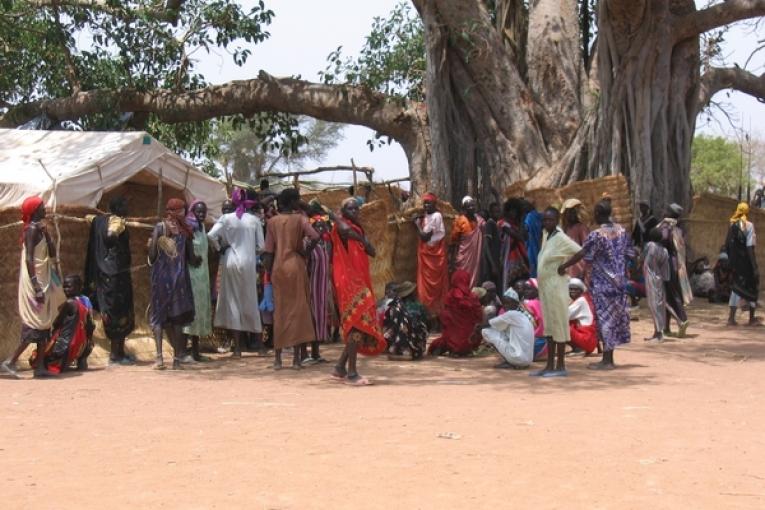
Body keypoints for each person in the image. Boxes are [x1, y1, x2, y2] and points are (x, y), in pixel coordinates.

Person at [560, 200, 635, 370]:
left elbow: (583, 253)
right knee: (614, 319)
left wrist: (564, 266)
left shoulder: (597, 235)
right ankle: (609, 356)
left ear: (598, 214)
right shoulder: (623, 231)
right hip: (620, 284)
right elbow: (631, 254)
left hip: (602, 284)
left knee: (604, 319)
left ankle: (607, 360)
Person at [1, 197, 66, 378]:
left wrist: (47, 234)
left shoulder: (40, 229)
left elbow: (52, 253)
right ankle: (10, 361)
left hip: (44, 280)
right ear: (36, 210)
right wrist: (36, 285)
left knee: (44, 324)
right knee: (34, 326)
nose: (45, 209)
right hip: (35, 281)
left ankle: (40, 367)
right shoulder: (31, 230)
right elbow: (30, 258)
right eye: (42, 207)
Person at [330, 198, 387, 385]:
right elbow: (345, 230)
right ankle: (352, 373)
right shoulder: (341, 228)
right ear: (343, 211)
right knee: (356, 323)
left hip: (360, 279)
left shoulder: (357, 230)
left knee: (358, 321)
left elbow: (372, 251)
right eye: (350, 208)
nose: (354, 211)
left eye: (357, 208)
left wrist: (362, 238)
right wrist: (334, 216)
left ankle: (340, 367)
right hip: (348, 281)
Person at [263, 188, 320, 370]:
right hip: (296, 265)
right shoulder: (301, 219)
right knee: (298, 310)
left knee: (280, 311)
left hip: (278, 267)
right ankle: (296, 359)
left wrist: (267, 271)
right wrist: (305, 251)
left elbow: (268, 251)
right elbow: (316, 236)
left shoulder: (272, 222)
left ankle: (278, 359)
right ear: (294, 201)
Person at [208, 188, 265, 357]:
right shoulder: (254, 220)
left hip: (230, 261)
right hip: (248, 263)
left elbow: (210, 235)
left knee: (233, 301)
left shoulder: (226, 219)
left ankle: (238, 349)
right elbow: (261, 247)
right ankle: (260, 346)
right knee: (250, 300)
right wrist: (250, 252)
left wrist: (221, 247)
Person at [148, 199, 200, 370]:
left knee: (158, 317)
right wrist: (199, 259)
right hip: (179, 281)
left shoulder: (160, 228)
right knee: (177, 319)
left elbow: (153, 255)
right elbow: (192, 260)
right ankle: (177, 359)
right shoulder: (185, 231)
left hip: (161, 279)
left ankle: (159, 358)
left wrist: (151, 245)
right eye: (183, 210)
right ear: (179, 211)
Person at [84, 196, 135, 365]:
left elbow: (88, 218)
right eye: (125, 204)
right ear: (118, 207)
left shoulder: (99, 220)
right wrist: (112, 235)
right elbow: (110, 235)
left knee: (115, 310)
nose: (127, 208)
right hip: (116, 273)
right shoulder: (117, 222)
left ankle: (120, 351)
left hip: (105, 273)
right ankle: (115, 355)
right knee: (117, 311)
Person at [532, 207, 581, 377]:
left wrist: (565, 266)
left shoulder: (560, 237)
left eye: (550, 220)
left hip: (556, 287)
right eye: (545, 220)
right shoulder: (547, 235)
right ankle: (549, 365)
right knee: (550, 327)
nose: (547, 223)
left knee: (559, 326)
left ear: (557, 220)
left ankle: (560, 366)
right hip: (546, 289)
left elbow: (580, 251)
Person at [29, 275, 94, 374]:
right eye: (64, 287)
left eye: (68, 286)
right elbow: (90, 324)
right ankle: (81, 361)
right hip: (84, 344)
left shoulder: (69, 303)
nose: (65, 289)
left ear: (79, 287)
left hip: (67, 345)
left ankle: (60, 362)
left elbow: (57, 322)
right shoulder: (86, 300)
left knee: (35, 360)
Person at [427, 269, 484, 357]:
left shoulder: (451, 295)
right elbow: (479, 316)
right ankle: (465, 349)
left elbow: (445, 315)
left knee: (449, 330)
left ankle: (452, 347)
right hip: (469, 341)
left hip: (452, 336)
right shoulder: (472, 297)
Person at [182, 201, 212, 361]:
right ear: (193, 212)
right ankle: (184, 352)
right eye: (199, 212)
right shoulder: (189, 228)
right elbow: (186, 250)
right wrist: (192, 258)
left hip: (202, 277)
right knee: (191, 313)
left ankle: (195, 351)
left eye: (204, 212)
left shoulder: (201, 228)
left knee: (200, 313)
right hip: (192, 276)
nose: (202, 215)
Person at [658, 203, 692, 337]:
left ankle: (683, 319)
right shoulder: (679, 228)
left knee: (671, 294)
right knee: (668, 294)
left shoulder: (666, 227)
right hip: (677, 265)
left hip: (668, 265)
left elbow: (664, 240)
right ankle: (666, 327)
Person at [306, 200, 334, 362]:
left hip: (322, 289)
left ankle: (316, 353)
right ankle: (306, 353)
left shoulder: (324, 246)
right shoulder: (308, 244)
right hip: (311, 289)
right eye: (318, 227)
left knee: (320, 318)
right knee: (310, 318)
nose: (322, 229)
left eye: (323, 226)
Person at [482, 287, 535, 369]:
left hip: (517, 358)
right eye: (505, 303)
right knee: (502, 332)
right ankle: (511, 360)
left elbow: (489, 324)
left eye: (509, 303)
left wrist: (478, 326)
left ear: (516, 304)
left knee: (486, 331)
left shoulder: (511, 314)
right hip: (528, 360)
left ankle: (509, 361)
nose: (506, 306)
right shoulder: (524, 315)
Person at [415, 192, 449, 315]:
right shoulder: (426, 216)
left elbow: (425, 237)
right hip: (425, 256)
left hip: (434, 256)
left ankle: (437, 315)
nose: (426, 206)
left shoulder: (437, 216)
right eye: (424, 203)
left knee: (436, 287)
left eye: (429, 203)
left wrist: (417, 225)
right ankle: (428, 314)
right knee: (425, 287)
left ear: (434, 204)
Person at [726, 203, 759, 326]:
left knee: (736, 287)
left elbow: (727, 244)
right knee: (752, 286)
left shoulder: (732, 225)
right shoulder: (749, 225)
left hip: (735, 263)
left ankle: (731, 318)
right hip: (747, 262)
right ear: (747, 212)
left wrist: (732, 261)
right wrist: (754, 266)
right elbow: (749, 247)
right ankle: (751, 318)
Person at [382, 281, 428, 360]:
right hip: (416, 342)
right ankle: (414, 348)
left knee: (391, 326)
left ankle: (398, 348)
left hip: (398, 340)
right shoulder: (419, 305)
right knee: (421, 327)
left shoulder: (395, 306)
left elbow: (387, 322)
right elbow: (426, 321)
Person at [450, 196, 486, 288]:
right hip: (463, 257)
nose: (472, 208)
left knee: (474, 279)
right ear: (464, 208)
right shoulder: (460, 221)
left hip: (475, 258)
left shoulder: (480, 221)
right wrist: (451, 260)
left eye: (473, 205)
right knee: (461, 278)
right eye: (469, 206)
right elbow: (454, 241)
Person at [642, 227, 670, 342]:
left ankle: (659, 334)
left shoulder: (650, 246)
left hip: (650, 278)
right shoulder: (664, 250)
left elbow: (644, 260)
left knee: (654, 305)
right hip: (660, 279)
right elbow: (665, 269)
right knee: (659, 305)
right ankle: (656, 332)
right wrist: (665, 279)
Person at [498, 198, 529, 291]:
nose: (514, 213)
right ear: (507, 211)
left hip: (519, 258)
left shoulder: (516, 225)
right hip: (507, 258)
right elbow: (519, 237)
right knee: (509, 283)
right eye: (512, 211)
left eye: (516, 211)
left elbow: (525, 237)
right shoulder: (503, 224)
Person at [567, 278, 598, 354]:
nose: (572, 291)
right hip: (590, 339)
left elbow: (564, 315)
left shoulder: (581, 301)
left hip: (586, 339)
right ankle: (578, 347)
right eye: (570, 289)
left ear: (581, 291)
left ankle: (578, 348)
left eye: (575, 289)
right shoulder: (586, 298)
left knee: (560, 325)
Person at [561, 198, 589, 279]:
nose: (571, 215)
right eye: (569, 213)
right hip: (568, 265)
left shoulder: (581, 228)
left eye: (573, 212)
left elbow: (586, 248)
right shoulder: (566, 229)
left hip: (579, 266)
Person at [521, 278, 547, 361]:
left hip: (537, 341)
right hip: (541, 342)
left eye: (529, 289)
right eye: (524, 289)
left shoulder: (533, 303)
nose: (525, 291)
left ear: (537, 291)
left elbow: (541, 323)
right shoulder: (529, 302)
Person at [481, 202, 502, 287]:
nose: (497, 214)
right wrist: (493, 265)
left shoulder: (496, 224)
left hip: (496, 261)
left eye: (498, 212)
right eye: (495, 212)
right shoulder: (490, 224)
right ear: (491, 213)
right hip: (491, 264)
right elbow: (486, 246)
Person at [523, 199, 543, 278]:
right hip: (538, 246)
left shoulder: (528, 217)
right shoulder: (539, 216)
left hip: (530, 248)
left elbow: (524, 232)